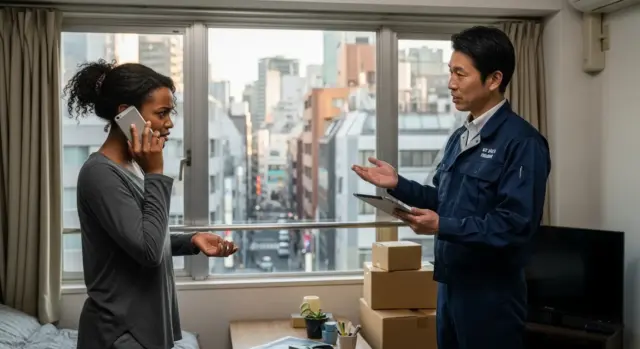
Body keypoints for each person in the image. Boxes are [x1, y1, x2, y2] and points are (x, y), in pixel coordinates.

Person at [352, 26, 550, 349]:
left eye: (461, 74)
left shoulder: (522, 143)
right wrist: (397, 184)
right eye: (450, 72)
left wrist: (442, 225)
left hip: (491, 297)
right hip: (449, 287)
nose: (450, 84)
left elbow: (515, 226)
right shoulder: (460, 137)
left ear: (494, 79)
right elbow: (443, 200)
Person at [64, 59, 238, 349]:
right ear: (126, 115)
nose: (169, 123)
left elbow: (143, 235)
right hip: (120, 333)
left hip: (139, 329)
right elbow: (147, 251)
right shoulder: (99, 174)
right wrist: (156, 174)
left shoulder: (131, 167)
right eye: (162, 113)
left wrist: (191, 240)